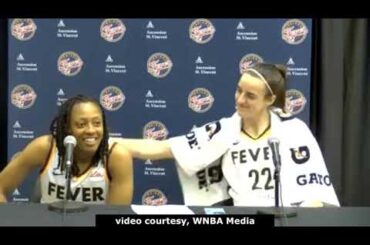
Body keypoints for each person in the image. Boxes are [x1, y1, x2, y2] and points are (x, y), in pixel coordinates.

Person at [112, 63, 340, 207]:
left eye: (250, 96)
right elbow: (162, 148)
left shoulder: (293, 129)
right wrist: (106, 142)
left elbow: (315, 188)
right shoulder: (223, 131)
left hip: (288, 218)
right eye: (239, 90)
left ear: (269, 100)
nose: (240, 100)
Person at [0, 95, 133, 205]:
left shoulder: (117, 156)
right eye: (81, 124)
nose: (91, 130)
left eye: (97, 123)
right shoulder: (44, 147)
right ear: (67, 127)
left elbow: (116, 214)